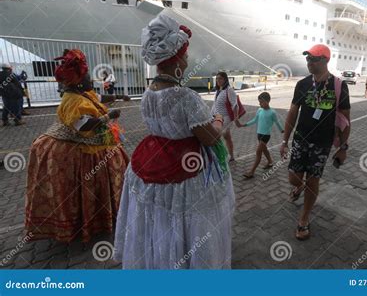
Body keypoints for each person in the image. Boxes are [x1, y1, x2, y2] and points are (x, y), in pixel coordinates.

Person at [113, 14, 235, 269]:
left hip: (151, 159)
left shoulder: (147, 94)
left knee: (158, 218)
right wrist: (219, 120)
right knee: (188, 219)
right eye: (186, 55)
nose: (188, 60)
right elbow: (210, 138)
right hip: (186, 168)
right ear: (177, 59)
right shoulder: (186, 96)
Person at [25, 49, 130, 242]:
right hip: (81, 149)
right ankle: (85, 223)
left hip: (93, 143)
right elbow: (84, 126)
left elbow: (98, 98)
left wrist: (120, 96)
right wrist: (109, 116)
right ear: (80, 80)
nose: (92, 79)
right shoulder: (74, 101)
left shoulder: (83, 93)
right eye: (89, 76)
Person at [280, 44, 350, 240]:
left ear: (326, 60)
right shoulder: (302, 84)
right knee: (293, 177)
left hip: (322, 143)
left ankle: (304, 219)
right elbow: (293, 112)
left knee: (313, 180)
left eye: (314, 59)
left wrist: (343, 147)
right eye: (308, 59)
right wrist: (284, 140)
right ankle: (299, 186)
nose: (309, 62)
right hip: (300, 139)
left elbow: (345, 119)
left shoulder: (338, 86)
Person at [236, 92, 284, 179]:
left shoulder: (272, 112)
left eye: (261, 102)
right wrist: (244, 125)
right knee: (264, 149)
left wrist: (282, 130)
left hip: (266, 136)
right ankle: (270, 162)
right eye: (259, 102)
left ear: (268, 101)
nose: (260, 104)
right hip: (259, 134)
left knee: (258, 152)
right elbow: (255, 120)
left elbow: (277, 122)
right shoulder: (259, 110)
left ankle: (251, 172)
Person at [211, 71, 239, 162]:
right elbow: (216, 104)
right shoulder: (219, 90)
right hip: (217, 117)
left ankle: (221, 156)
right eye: (217, 78)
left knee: (217, 137)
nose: (218, 80)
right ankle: (231, 156)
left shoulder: (229, 90)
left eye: (220, 78)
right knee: (227, 137)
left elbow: (235, 105)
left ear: (225, 79)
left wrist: (236, 118)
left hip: (225, 118)